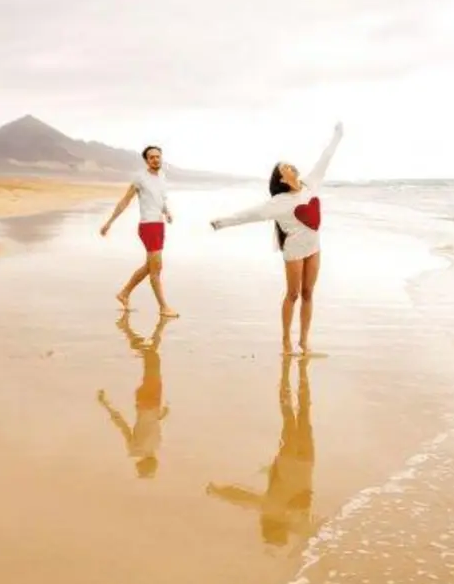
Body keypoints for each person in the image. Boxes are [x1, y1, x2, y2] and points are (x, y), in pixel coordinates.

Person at [209, 122, 343, 356]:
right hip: (294, 250)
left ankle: (303, 341)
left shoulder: (311, 184)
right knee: (293, 294)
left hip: (314, 247)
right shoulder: (278, 204)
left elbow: (326, 157)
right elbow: (248, 215)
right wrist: (222, 222)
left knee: (308, 293)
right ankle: (285, 340)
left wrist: (337, 135)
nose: (291, 166)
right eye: (286, 167)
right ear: (282, 179)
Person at [206, 354, 321, 548]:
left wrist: (219, 491)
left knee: (302, 414)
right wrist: (218, 491)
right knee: (291, 415)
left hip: (303, 463)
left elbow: (240, 496)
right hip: (292, 463)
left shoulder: (289, 520)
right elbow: (240, 495)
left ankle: (297, 373)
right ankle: (289, 374)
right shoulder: (275, 513)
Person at [100, 144, 178, 317]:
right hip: (148, 226)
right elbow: (125, 201)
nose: (155, 159)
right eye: (152, 157)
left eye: (158, 156)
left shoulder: (163, 177)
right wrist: (109, 222)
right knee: (156, 268)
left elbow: (160, 199)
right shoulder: (140, 178)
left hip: (159, 225)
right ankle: (163, 307)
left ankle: (124, 293)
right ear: (146, 160)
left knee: (151, 267)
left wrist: (167, 212)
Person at [97, 312, 172, 479]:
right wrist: (162, 415)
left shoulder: (155, 446)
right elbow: (132, 424)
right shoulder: (141, 448)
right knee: (152, 358)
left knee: (152, 358)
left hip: (152, 400)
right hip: (144, 401)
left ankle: (130, 331)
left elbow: (129, 424)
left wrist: (106, 404)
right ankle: (142, 332)